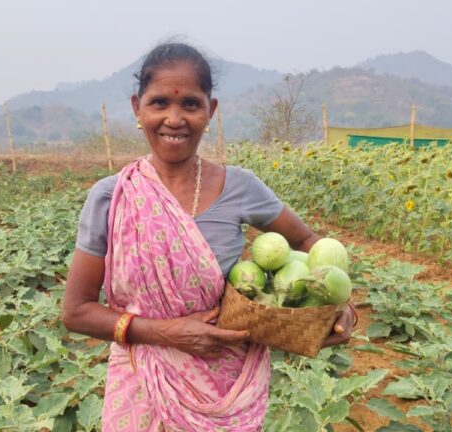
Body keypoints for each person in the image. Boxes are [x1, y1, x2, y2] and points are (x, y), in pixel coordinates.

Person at [61, 42, 356, 432]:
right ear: (138, 108)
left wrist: (339, 306)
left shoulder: (240, 187)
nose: (174, 118)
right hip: (143, 386)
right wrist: (164, 333)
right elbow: (76, 311)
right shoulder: (111, 197)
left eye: (190, 105)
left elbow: (306, 242)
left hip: (227, 391)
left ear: (210, 111)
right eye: (159, 103)